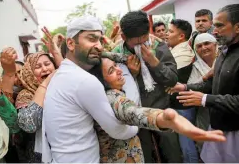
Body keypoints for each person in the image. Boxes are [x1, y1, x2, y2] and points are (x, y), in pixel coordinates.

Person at [42, 15, 139, 163]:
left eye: (100, 40)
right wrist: (137, 126)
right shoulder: (84, 81)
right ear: (70, 43)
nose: (99, 46)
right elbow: (117, 130)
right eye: (91, 39)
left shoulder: (63, 73)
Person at [92, 57, 225, 163]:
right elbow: (133, 112)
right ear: (101, 81)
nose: (120, 70)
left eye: (116, 65)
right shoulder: (112, 97)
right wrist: (163, 119)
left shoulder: (111, 92)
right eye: (111, 71)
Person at [170, 4, 239, 163]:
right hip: (218, 126)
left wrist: (205, 99)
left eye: (220, 26)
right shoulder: (224, 52)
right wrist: (186, 87)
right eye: (214, 26)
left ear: (238, 27)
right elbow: (213, 84)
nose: (214, 31)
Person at [112, 10, 181, 163]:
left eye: (145, 40)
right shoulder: (116, 55)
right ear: (124, 38)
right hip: (135, 120)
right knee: (145, 158)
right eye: (136, 44)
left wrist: (154, 62)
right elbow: (114, 91)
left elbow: (171, 79)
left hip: (163, 112)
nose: (142, 46)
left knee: (172, 156)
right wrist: (132, 75)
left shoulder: (158, 46)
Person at [15, 51, 57, 163]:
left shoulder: (62, 89)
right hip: (40, 156)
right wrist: (46, 83)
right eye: (38, 67)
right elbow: (30, 124)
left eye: (47, 64)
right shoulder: (26, 95)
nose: (44, 69)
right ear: (30, 73)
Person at [166, 19, 198, 162]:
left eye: (170, 31)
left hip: (183, 105)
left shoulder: (183, 53)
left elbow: (167, 77)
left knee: (186, 143)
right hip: (179, 104)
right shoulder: (176, 50)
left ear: (181, 36)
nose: (167, 34)